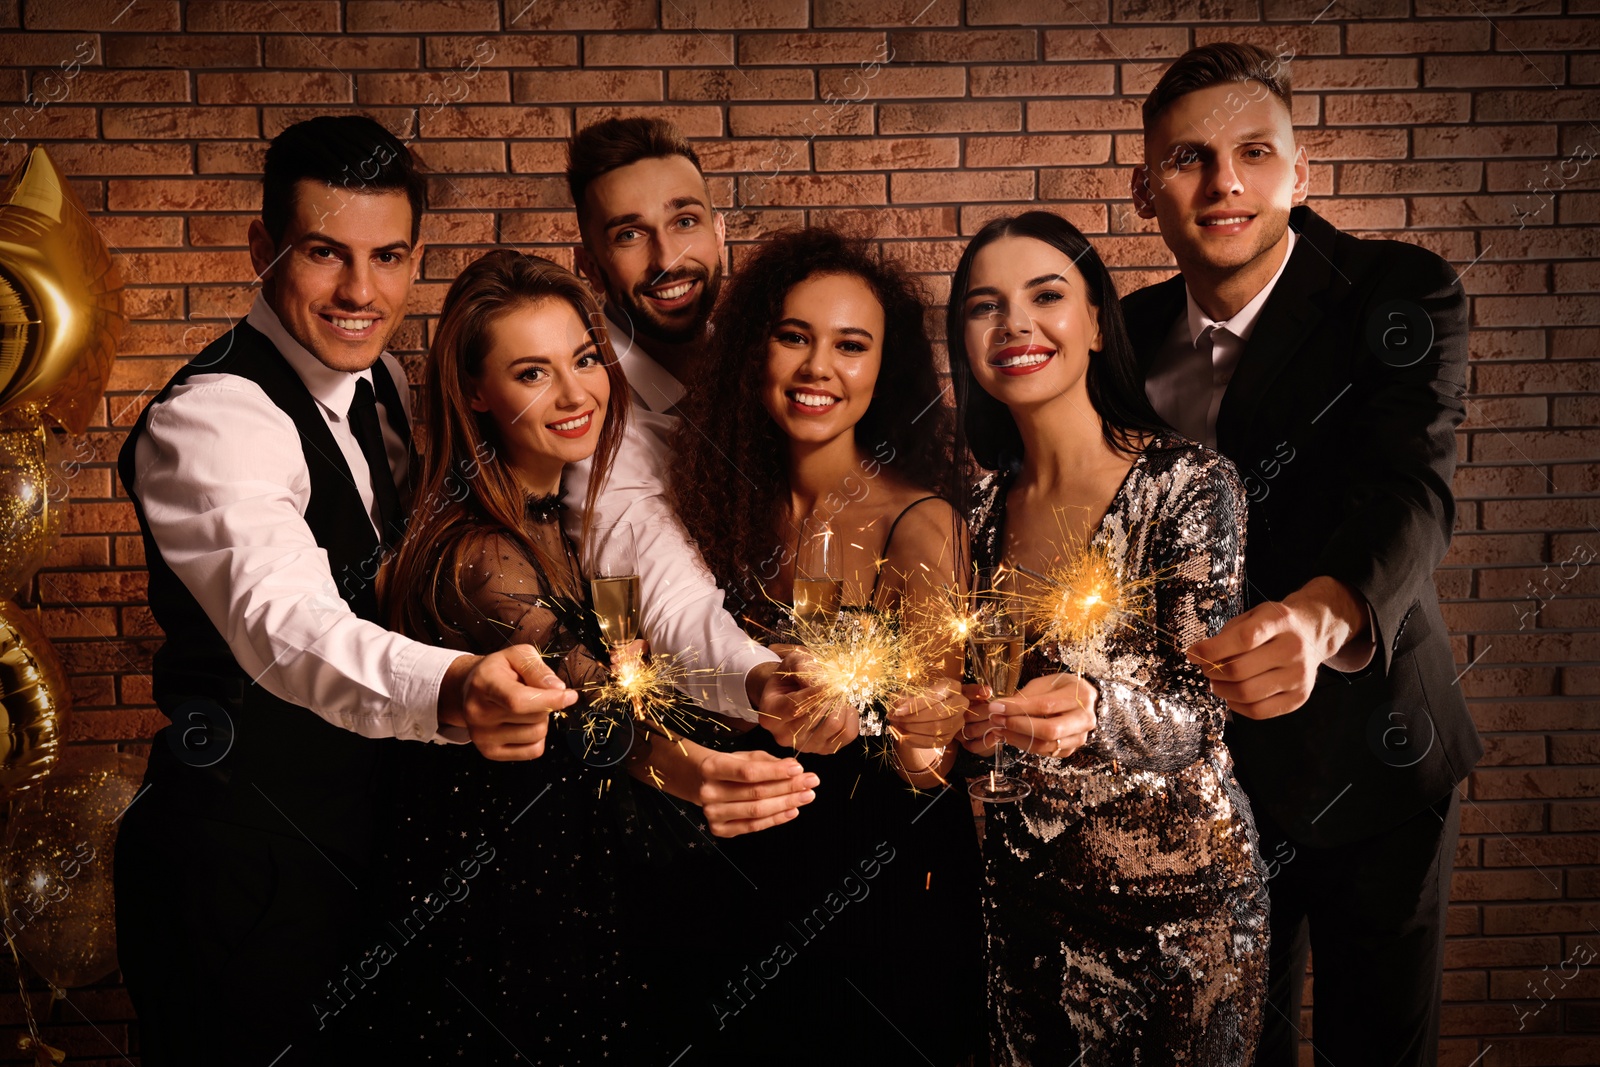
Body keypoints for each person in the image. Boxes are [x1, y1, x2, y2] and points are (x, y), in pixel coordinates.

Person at [113, 117, 573, 1066]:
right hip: (240, 872)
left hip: (369, 856)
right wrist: (453, 689)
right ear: (262, 249)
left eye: (389, 256)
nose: (361, 292)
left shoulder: (389, 387)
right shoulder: (215, 419)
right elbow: (288, 624)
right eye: (325, 254)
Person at [1124, 43, 1483, 1067]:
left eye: (1253, 152)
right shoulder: (1124, 333)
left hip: (1377, 757)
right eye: (1189, 158)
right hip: (1204, 784)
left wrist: (1316, 619)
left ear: (1299, 172)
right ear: (1144, 186)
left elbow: (1410, 490)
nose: (1223, 182)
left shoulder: (1397, 292)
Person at [952, 210, 1268, 1065]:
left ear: (1096, 322)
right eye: (984, 307)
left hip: (1181, 921)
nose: (1014, 323)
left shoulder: (1188, 485)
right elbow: (977, 721)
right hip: (1024, 918)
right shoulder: (974, 513)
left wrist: (1096, 707)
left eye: (1045, 295)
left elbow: (1202, 718)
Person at [668, 227, 985, 1064]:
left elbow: (933, 768)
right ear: (752, 349)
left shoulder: (921, 525)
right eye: (794, 336)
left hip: (878, 899)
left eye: (851, 345)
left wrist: (920, 733)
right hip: (731, 874)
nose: (819, 368)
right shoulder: (707, 507)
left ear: (884, 370)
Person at [368, 249, 661, 1063]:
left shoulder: (559, 514)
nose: (575, 393)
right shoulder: (482, 560)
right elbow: (623, 716)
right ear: (474, 394)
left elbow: (632, 675)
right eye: (532, 373)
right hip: (502, 918)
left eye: (584, 358)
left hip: (560, 890)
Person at [563, 116, 823, 830]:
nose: (667, 257)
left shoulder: (774, 365)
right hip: (675, 796)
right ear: (588, 263)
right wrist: (763, 678)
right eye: (628, 234)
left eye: (683, 221)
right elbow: (666, 597)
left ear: (719, 231)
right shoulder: (591, 414)